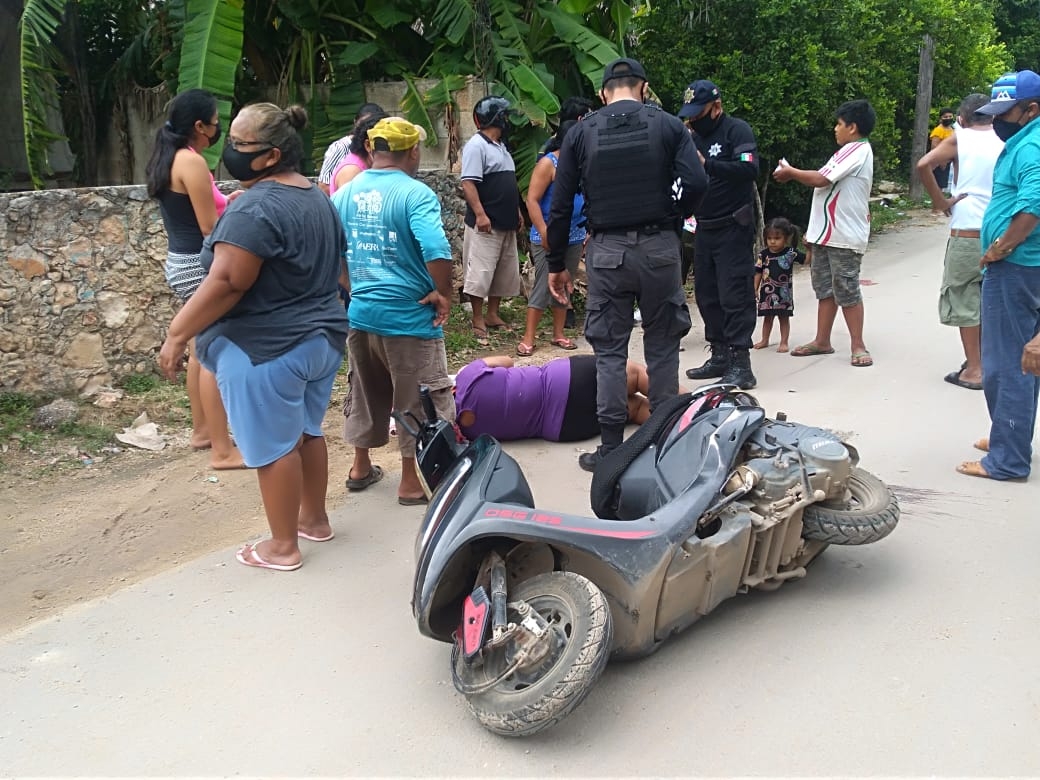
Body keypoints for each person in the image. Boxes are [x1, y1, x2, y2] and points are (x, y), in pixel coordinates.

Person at [158, 103, 349, 572]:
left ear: (270, 156)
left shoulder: (257, 207)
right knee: (306, 431)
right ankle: (314, 520)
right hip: (320, 340)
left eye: (240, 145)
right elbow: (341, 274)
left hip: (267, 349)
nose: (230, 151)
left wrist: (177, 333)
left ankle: (282, 547)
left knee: (274, 447)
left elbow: (228, 281)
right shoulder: (315, 196)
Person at [546, 57, 707, 471]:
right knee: (663, 342)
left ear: (603, 93)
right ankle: (666, 443)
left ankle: (612, 448)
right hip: (659, 248)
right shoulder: (670, 126)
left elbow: (561, 205)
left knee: (610, 350)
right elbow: (697, 181)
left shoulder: (581, 133)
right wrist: (673, 217)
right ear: (644, 87)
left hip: (607, 252)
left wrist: (555, 263)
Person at [332, 117, 455, 504]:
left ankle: (361, 466)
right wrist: (443, 293)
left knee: (366, 391)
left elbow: (334, 252)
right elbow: (436, 251)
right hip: (409, 318)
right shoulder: (415, 194)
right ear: (413, 151)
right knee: (415, 397)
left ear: (371, 150)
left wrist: (356, 291)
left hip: (363, 314)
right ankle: (410, 482)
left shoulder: (343, 194)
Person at [145, 88, 243, 470]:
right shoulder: (192, 163)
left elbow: (206, 209)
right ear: (199, 126)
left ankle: (203, 431)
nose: (218, 129)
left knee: (202, 348)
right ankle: (223, 449)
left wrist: (228, 202)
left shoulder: (173, 158)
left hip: (180, 261)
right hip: (198, 265)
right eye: (216, 124)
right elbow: (209, 229)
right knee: (215, 352)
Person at [956, 71, 1040, 480]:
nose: (997, 121)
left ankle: (1007, 459)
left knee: (1006, 363)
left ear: (1031, 109)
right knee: (1022, 359)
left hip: (1017, 266)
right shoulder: (1026, 140)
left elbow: (1033, 206)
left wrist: (1000, 248)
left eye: (1005, 113)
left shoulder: (1032, 147)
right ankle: (1010, 436)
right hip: (1023, 264)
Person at [773, 99, 876, 367]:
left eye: (839, 124)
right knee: (825, 289)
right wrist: (813, 231)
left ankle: (858, 345)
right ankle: (822, 340)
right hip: (827, 235)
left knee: (846, 288)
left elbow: (821, 180)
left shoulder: (856, 150)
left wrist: (790, 172)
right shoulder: (847, 151)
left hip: (843, 235)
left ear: (852, 127)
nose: (835, 129)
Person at [916, 93, 1003, 390]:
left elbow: (923, 165)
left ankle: (975, 370)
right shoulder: (1007, 137)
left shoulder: (959, 137)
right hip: (1002, 231)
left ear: (962, 119)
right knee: (992, 300)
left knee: (965, 300)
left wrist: (940, 202)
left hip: (967, 231)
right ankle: (990, 362)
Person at [678, 79, 761, 389]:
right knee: (708, 295)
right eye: (690, 114)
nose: (693, 119)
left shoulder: (736, 131)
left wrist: (708, 164)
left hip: (733, 226)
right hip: (704, 227)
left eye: (699, 113)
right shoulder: (690, 136)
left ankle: (742, 363)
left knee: (734, 294)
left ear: (716, 106)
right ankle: (720, 355)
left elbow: (749, 169)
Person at [454, 355, 659, 442]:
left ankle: (677, 423)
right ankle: (689, 407)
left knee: (634, 408)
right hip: (564, 382)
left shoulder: (467, 432)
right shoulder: (468, 376)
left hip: (564, 428)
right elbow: (508, 361)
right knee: (635, 375)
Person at [461, 95, 524, 345]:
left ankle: (492, 314)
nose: (508, 119)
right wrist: (480, 213)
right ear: (496, 117)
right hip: (486, 222)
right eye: (504, 115)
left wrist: (517, 211)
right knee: (481, 270)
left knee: (503, 271)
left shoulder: (500, 146)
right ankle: (477, 318)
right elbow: (468, 182)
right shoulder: (476, 146)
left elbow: (508, 183)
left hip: (506, 220)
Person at [520, 120, 585, 356]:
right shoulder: (548, 163)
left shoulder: (581, 162)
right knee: (543, 284)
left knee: (566, 285)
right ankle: (528, 337)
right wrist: (544, 230)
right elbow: (532, 200)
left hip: (575, 234)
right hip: (546, 234)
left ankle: (559, 333)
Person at [753, 217, 806, 353]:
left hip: (784, 294)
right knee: (767, 318)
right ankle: (765, 340)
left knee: (784, 318)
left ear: (786, 238)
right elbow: (758, 272)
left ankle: (784, 342)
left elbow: (806, 261)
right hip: (767, 294)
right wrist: (755, 289)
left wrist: (809, 248)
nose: (772, 241)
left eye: (777, 238)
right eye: (769, 238)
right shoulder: (763, 255)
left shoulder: (790, 253)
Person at [317, 102, 385, 195]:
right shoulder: (341, 147)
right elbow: (324, 185)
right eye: (364, 124)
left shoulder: (378, 150)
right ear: (355, 122)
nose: (367, 129)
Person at [929, 107, 956, 192]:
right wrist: (941, 161)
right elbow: (934, 147)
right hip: (939, 162)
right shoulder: (938, 130)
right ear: (941, 118)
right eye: (945, 117)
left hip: (948, 161)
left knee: (943, 185)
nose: (948, 118)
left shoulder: (952, 130)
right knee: (938, 185)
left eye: (950, 116)